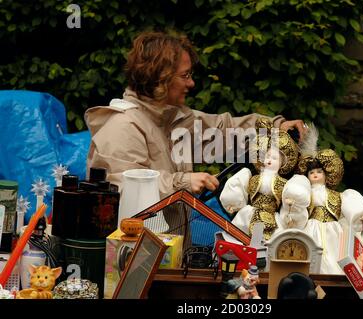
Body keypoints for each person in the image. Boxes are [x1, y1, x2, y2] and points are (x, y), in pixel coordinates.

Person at [85, 31, 306, 243]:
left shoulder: (172, 118)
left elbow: (224, 131)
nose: (191, 83)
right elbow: (125, 190)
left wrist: (275, 128)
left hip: (165, 255)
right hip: (128, 262)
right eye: (185, 75)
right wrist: (183, 182)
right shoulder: (122, 125)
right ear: (160, 78)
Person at [280, 125, 363, 274]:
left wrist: (360, 214)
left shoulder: (339, 195)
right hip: (310, 229)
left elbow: (351, 206)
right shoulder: (305, 194)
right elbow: (299, 209)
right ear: (307, 176)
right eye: (311, 172)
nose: (315, 174)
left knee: (336, 254)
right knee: (309, 254)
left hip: (334, 229)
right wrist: (293, 212)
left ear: (327, 174)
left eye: (319, 171)